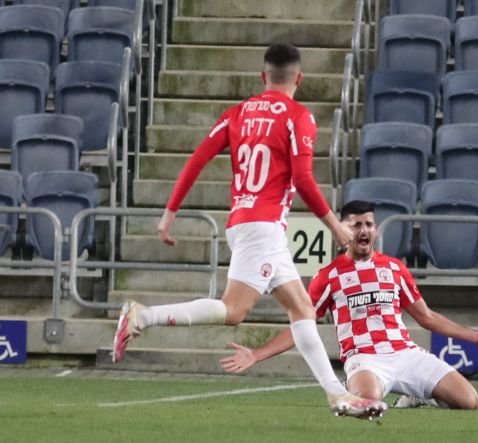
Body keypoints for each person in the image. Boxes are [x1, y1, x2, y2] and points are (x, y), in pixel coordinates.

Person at [112, 44, 386, 419]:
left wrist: (169, 212)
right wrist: (334, 224)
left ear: (262, 77)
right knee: (234, 310)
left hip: (245, 222)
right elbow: (303, 179)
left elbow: (197, 159)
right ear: (299, 78)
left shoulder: (237, 113)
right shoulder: (298, 117)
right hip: (263, 227)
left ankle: (338, 395)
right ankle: (143, 316)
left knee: (303, 309)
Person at [219, 200, 478, 409]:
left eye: (369, 224)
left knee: (470, 401)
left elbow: (427, 317)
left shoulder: (395, 268)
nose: (364, 231)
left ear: (375, 229)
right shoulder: (329, 276)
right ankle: (377, 390)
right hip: (364, 358)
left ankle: (418, 395)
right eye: (356, 225)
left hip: (406, 353)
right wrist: (257, 354)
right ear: (342, 230)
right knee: (367, 404)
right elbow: (302, 327)